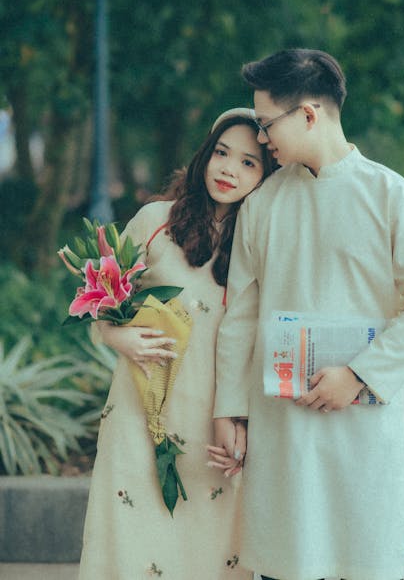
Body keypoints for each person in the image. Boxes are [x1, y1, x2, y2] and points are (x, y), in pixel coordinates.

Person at [212, 50, 404, 580]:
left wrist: (361, 374)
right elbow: (241, 318)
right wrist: (230, 409)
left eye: (266, 122)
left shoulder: (394, 198)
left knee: (364, 556)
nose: (262, 136)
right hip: (285, 425)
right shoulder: (263, 205)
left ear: (309, 114)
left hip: (365, 421)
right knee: (286, 561)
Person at [78, 108, 275, 580]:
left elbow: (263, 339)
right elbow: (95, 306)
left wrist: (245, 421)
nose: (229, 169)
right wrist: (117, 336)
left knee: (206, 547)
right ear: (206, 154)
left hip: (217, 423)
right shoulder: (155, 222)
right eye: (222, 154)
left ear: (268, 174)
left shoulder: (262, 241)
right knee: (129, 539)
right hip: (137, 411)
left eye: (249, 162)